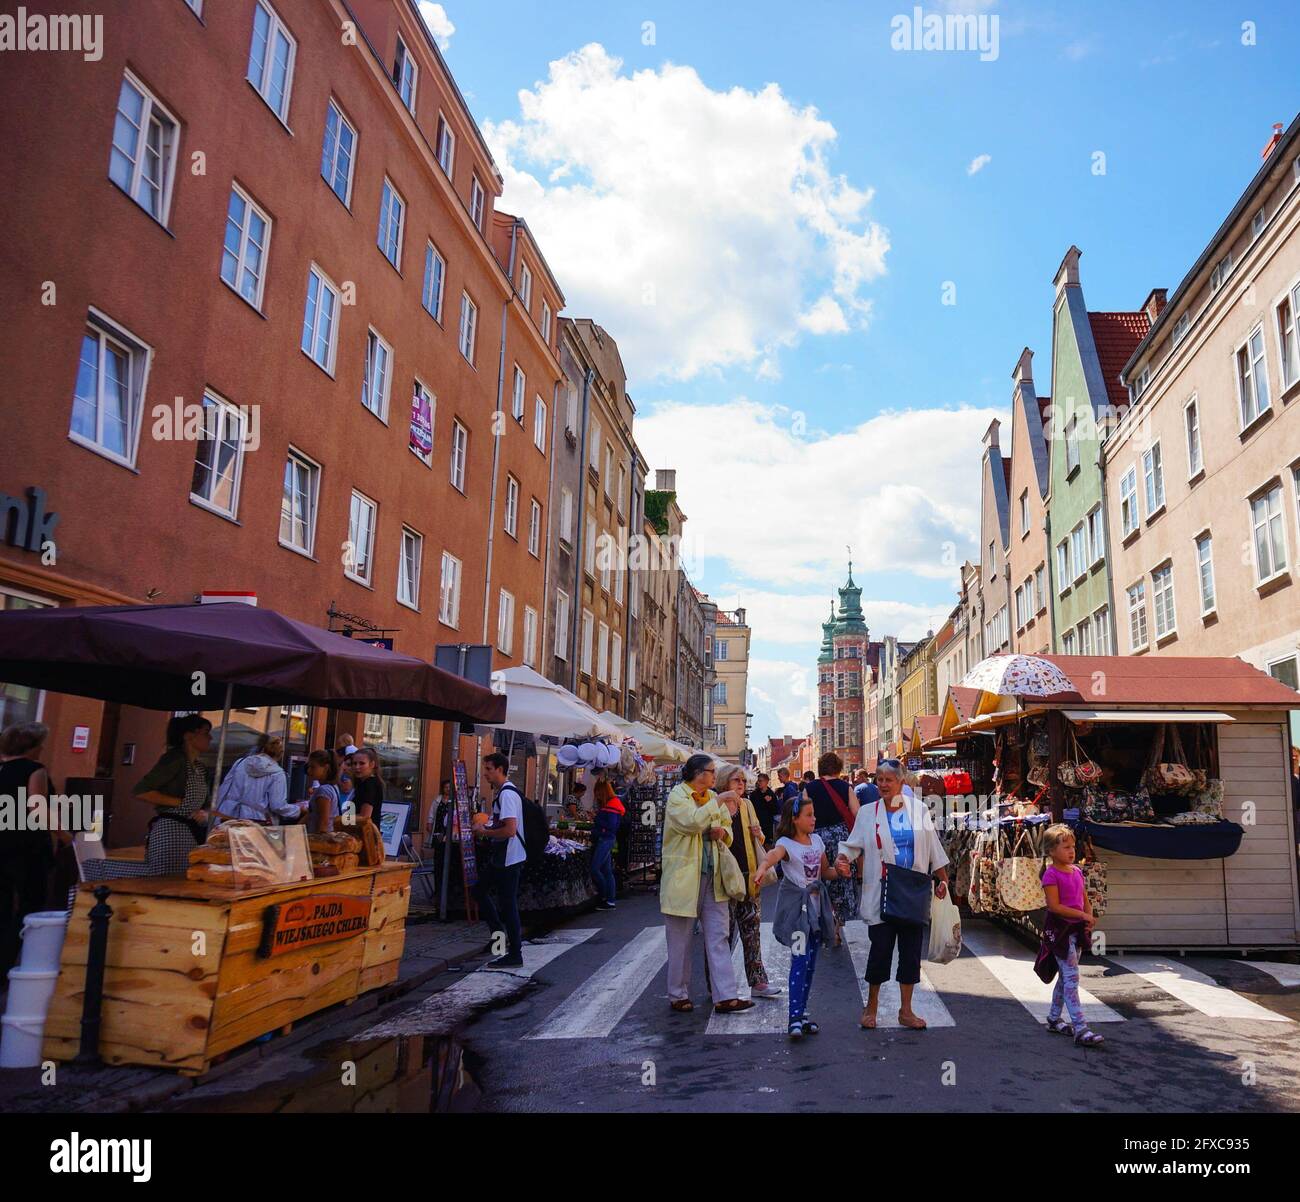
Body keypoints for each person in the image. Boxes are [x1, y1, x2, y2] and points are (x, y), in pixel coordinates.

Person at [836, 758, 949, 1031]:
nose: (883, 784)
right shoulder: (868, 813)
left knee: (910, 953)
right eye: (880, 779)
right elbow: (853, 845)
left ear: (901, 782)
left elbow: (934, 848)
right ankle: (871, 1006)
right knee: (881, 950)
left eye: (889, 779)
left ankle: (906, 1011)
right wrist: (842, 860)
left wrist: (943, 880)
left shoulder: (919, 809)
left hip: (913, 891)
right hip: (882, 891)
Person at [660, 754, 754, 1015]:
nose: (715, 777)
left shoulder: (712, 798)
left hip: (714, 876)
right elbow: (690, 822)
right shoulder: (678, 796)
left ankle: (726, 995)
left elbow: (727, 827)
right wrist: (719, 803)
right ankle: (678, 993)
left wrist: (723, 832)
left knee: (719, 935)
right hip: (684, 878)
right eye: (712, 772)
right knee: (680, 939)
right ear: (699, 773)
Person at [751, 795, 844, 1038]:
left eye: (814, 814)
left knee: (811, 963)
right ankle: (793, 1017)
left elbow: (826, 872)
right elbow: (773, 855)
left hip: (815, 912)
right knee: (800, 960)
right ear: (794, 819)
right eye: (809, 815)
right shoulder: (786, 843)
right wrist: (762, 868)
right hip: (797, 913)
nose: (814, 819)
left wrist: (841, 871)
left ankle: (802, 1014)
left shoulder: (817, 841)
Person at [85, 715, 214, 881]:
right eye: (205, 733)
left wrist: (203, 812)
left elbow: (207, 803)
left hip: (189, 833)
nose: (210, 738)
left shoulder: (200, 768)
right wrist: (180, 803)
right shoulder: (174, 760)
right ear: (188, 736)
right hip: (169, 831)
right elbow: (142, 791)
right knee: (160, 878)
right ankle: (96, 871)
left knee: (180, 877)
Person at [712, 764, 781, 1000]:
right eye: (735, 780)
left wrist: (758, 834)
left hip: (750, 876)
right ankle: (719, 985)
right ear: (723, 783)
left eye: (742, 780)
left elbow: (760, 839)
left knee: (752, 932)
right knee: (723, 936)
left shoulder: (747, 804)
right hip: (724, 879)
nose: (741, 784)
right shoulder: (716, 804)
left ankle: (758, 982)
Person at [1037, 824, 1104, 1047]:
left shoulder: (1076, 871)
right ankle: (1080, 1027)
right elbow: (1054, 906)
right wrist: (1082, 915)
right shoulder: (1051, 874)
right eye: (1065, 847)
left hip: (1076, 930)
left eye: (1072, 846)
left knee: (1065, 977)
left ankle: (1054, 1019)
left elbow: (1084, 897)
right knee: (1072, 976)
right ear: (1051, 851)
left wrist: (1089, 915)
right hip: (1060, 931)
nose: (1071, 851)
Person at [0, 722, 55, 976]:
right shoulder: (35, 770)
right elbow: (37, 808)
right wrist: (65, 835)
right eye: (40, 743)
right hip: (26, 846)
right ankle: (11, 964)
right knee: (31, 903)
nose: (43, 748)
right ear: (32, 746)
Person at [474, 752, 527, 967]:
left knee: (507, 904)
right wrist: (489, 827)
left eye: (488, 769)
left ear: (499, 769)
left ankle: (514, 952)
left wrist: (484, 832)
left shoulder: (506, 794)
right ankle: (499, 938)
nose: (484, 773)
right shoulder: (505, 793)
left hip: (509, 857)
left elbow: (510, 830)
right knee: (481, 891)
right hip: (505, 856)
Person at [801, 752, 860, 943]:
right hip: (842, 838)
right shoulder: (845, 787)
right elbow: (857, 813)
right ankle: (836, 926)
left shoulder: (810, 788)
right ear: (838, 767)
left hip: (816, 838)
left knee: (819, 879)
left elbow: (802, 814)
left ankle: (820, 920)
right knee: (841, 880)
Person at [215, 733, 303, 825]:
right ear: (280, 753)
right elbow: (277, 806)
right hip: (256, 821)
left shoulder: (240, 763)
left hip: (229, 816)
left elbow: (223, 790)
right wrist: (298, 810)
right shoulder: (278, 774)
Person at [589, 779, 624, 910]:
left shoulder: (612, 805)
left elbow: (611, 825)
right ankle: (610, 900)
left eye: (597, 793)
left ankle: (604, 896)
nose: (596, 796)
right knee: (607, 871)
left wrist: (597, 819)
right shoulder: (612, 804)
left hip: (605, 839)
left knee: (595, 869)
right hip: (607, 839)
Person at [305, 749, 343, 834]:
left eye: (313, 767)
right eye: (309, 767)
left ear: (326, 768)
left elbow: (323, 823)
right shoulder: (333, 786)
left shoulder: (323, 791)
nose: (309, 771)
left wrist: (318, 841)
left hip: (320, 839)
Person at [346, 747, 383, 821]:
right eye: (354, 763)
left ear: (372, 764)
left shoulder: (370, 784)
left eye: (362, 763)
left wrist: (341, 819)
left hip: (363, 831)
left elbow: (365, 816)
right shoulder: (363, 783)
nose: (357, 767)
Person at [748, 772, 779, 846]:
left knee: (767, 845)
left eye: (760, 781)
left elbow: (775, 811)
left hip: (767, 825)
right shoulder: (754, 794)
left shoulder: (771, 794)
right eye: (758, 781)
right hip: (756, 823)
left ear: (766, 782)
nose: (758, 783)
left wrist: (769, 802)